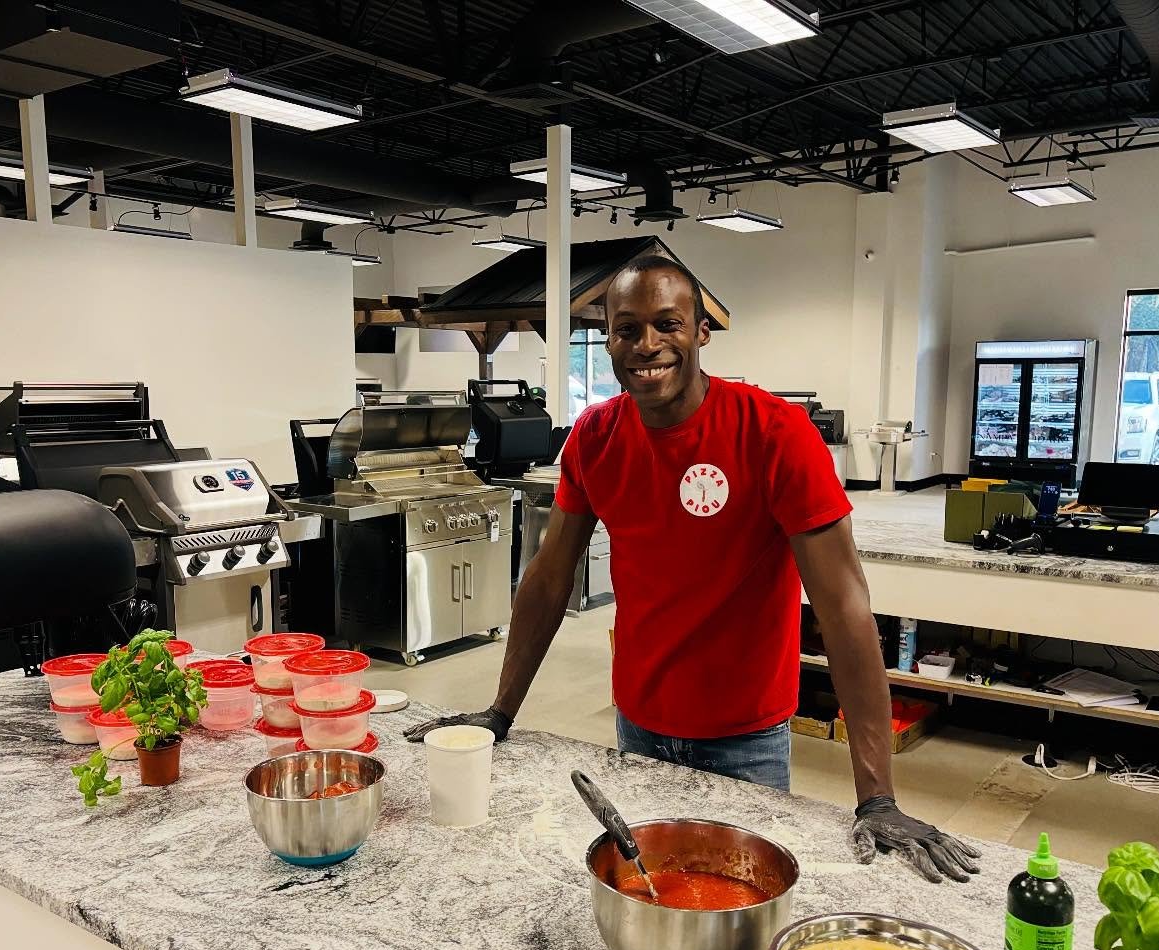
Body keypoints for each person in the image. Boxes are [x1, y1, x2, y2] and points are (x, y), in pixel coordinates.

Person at [406, 255, 979, 884]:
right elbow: (548, 579)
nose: (647, 345)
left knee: (738, 899)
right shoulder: (596, 436)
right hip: (639, 727)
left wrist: (877, 797)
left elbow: (844, 609)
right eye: (627, 329)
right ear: (608, 340)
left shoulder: (774, 433)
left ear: (702, 332)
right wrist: (500, 711)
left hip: (746, 740)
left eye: (667, 324)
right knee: (652, 889)